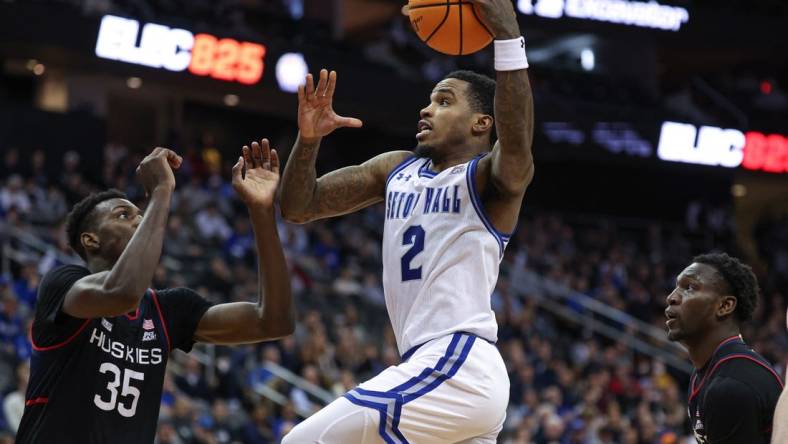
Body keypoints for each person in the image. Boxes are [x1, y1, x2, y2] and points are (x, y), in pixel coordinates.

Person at [279, 0, 534, 440]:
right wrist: (307, 142)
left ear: (481, 123)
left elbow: (516, 144)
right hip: (436, 368)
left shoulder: (487, 180)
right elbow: (299, 206)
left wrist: (508, 36)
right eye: (429, 100)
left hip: (457, 360)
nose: (426, 110)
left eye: (443, 101)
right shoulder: (396, 168)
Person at [16, 141, 294, 443]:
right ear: (90, 240)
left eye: (141, 214)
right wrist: (161, 190)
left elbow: (274, 321)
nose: (139, 219)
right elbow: (122, 292)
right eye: (123, 215)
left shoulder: (168, 310)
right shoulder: (64, 284)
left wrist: (263, 211)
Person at [664, 253, 783, 444]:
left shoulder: (731, 386)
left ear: (725, 306)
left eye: (690, 287)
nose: (671, 298)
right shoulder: (705, 371)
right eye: (676, 287)